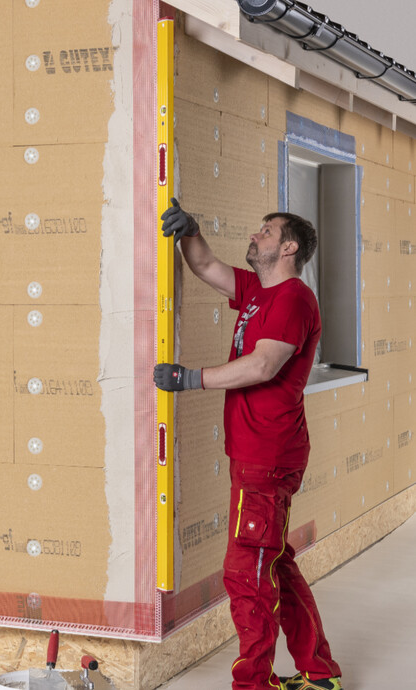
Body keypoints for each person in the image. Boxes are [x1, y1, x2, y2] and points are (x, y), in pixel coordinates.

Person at [154, 199, 343, 690]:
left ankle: (253, 684)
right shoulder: (259, 292)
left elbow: (263, 366)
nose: (255, 235)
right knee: (272, 561)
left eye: (266, 231)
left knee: (247, 571)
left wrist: (191, 378)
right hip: (254, 453)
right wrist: (189, 229)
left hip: (268, 455)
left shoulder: (294, 299)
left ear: (289, 247)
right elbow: (206, 266)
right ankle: (320, 675)